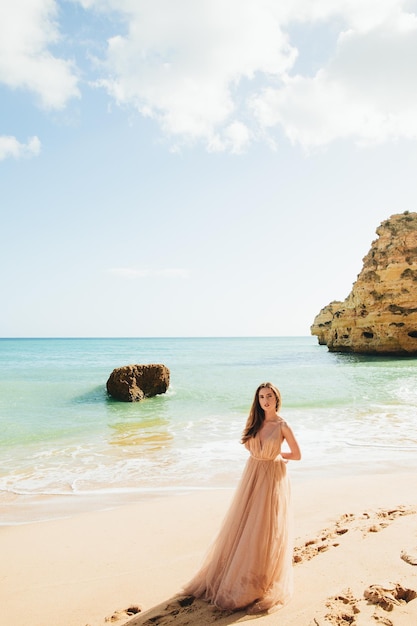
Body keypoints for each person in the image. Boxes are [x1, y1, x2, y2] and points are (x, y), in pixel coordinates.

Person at [183, 382, 301, 615]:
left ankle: (257, 579)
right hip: (252, 475)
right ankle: (236, 572)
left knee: (263, 527)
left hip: (272, 478)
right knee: (244, 523)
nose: (265, 401)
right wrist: (265, 456)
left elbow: (297, 455)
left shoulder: (283, 425)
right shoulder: (254, 422)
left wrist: (277, 456)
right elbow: (250, 447)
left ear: (277, 398)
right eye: (261, 397)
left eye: (269, 396)